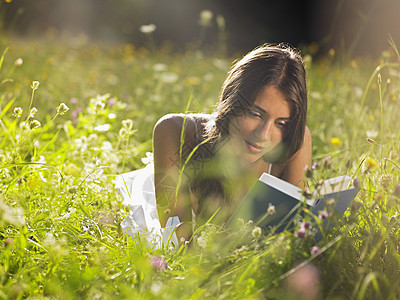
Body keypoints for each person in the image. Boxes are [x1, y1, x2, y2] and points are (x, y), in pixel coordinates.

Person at [116, 43, 311, 246]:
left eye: (281, 123)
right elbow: (180, 247)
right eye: (255, 113)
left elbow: (292, 240)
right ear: (232, 102)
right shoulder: (174, 131)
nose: (263, 134)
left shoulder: (296, 143)